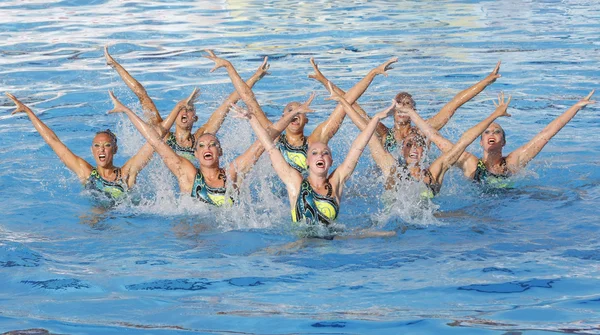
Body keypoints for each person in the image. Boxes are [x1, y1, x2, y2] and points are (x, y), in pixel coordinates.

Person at [108, 91, 315, 206]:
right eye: (203, 145)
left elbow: (264, 142)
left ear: (220, 151)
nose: (208, 148)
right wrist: (126, 111)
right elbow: (155, 141)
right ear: (196, 153)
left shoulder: (233, 173)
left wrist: (290, 115)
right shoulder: (187, 174)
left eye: (213, 145)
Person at [205, 50, 398, 173]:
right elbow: (248, 98)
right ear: (283, 117)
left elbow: (346, 103)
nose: (294, 114)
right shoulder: (273, 135)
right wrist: (229, 67)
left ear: (306, 120)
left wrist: (372, 73)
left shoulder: (316, 141)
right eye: (290, 110)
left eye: (299, 111)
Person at [230, 94, 395, 232]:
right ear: (307, 161)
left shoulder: (336, 182)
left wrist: (375, 119)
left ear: (331, 160)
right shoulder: (294, 182)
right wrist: (251, 118)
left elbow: (357, 148)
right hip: (301, 246)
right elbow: (271, 148)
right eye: (314, 153)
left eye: (325, 153)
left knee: (387, 234)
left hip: (333, 242)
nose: (320, 156)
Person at [330, 84, 512, 196]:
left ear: (425, 149)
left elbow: (464, 138)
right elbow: (364, 127)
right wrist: (343, 101)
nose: (414, 148)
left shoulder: (433, 171)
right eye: (409, 145)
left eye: (418, 144)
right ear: (402, 149)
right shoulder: (391, 167)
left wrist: (494, 113)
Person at [105, 45, 270, 161]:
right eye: (181, 108)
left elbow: (229, 102)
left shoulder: (201, 139)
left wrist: (255, 76)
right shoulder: (162, 134)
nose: (184, 112)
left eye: (189, 109)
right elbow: (141, 95)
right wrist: (116, 66)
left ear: (195, 118)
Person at [4, 92, 173, 201]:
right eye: (97, 146)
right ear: (92, 150)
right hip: (97, 223)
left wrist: (176, 111)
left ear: (115, 150)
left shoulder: (127, 173)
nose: (101, 149)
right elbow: (54, 142)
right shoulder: (85, 173)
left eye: (107, 145)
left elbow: (156, 140)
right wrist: (29, 112)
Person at [310, 61, 502, 156]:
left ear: (414, 111)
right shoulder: (383, 133)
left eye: (407, 104)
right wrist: (324, 81)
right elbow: (352, 104)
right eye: (399, 104)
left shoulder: (423, 131)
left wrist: (485, 81)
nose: (402, 107)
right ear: (392, 109)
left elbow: (453, 105)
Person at [423, 90, 595, 186]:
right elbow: (439, 140)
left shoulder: (513, 162)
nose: (491, 134)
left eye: (497, 132)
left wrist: (576, 107)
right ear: (480, 142)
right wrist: (412, 116)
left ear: (504, 142)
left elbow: (545, 135)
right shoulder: (471, 164)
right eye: (487, 132)